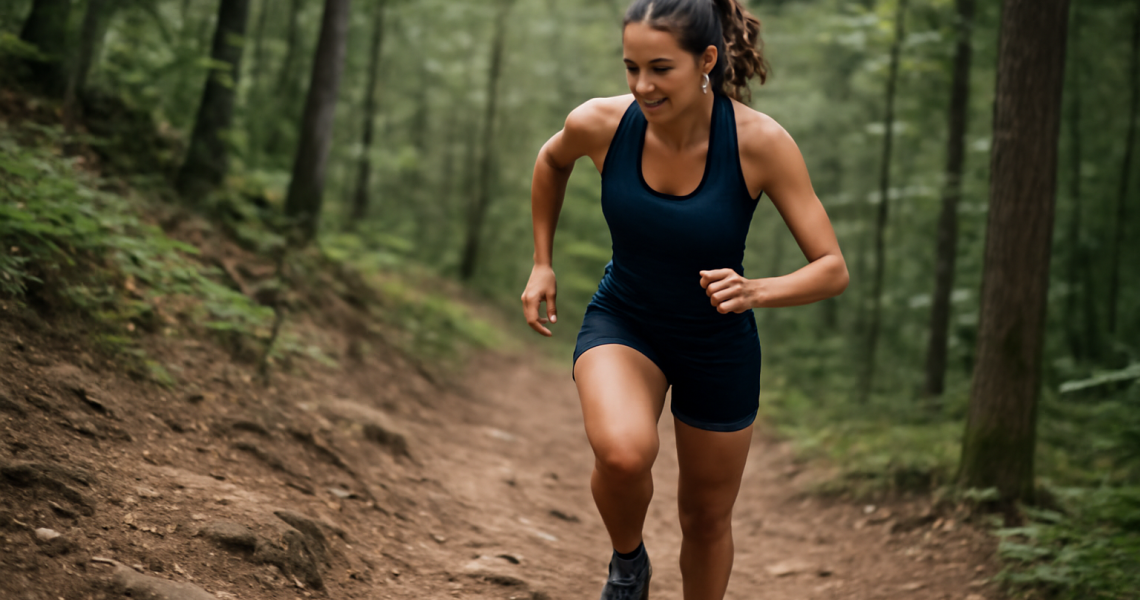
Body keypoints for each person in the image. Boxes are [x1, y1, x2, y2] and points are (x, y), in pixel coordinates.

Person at [520, 0, 848, 598]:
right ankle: (628, 566)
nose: (642, 85)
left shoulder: (759, 142)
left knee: (704, 518)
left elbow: (832, 269)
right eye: (631, 67)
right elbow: (551, 160)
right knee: (622, 453)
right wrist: (542, 261)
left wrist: (757, 291)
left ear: (707, 60)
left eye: (660, 69)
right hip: (626, 320)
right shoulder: (601, 122)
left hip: (717, 344)